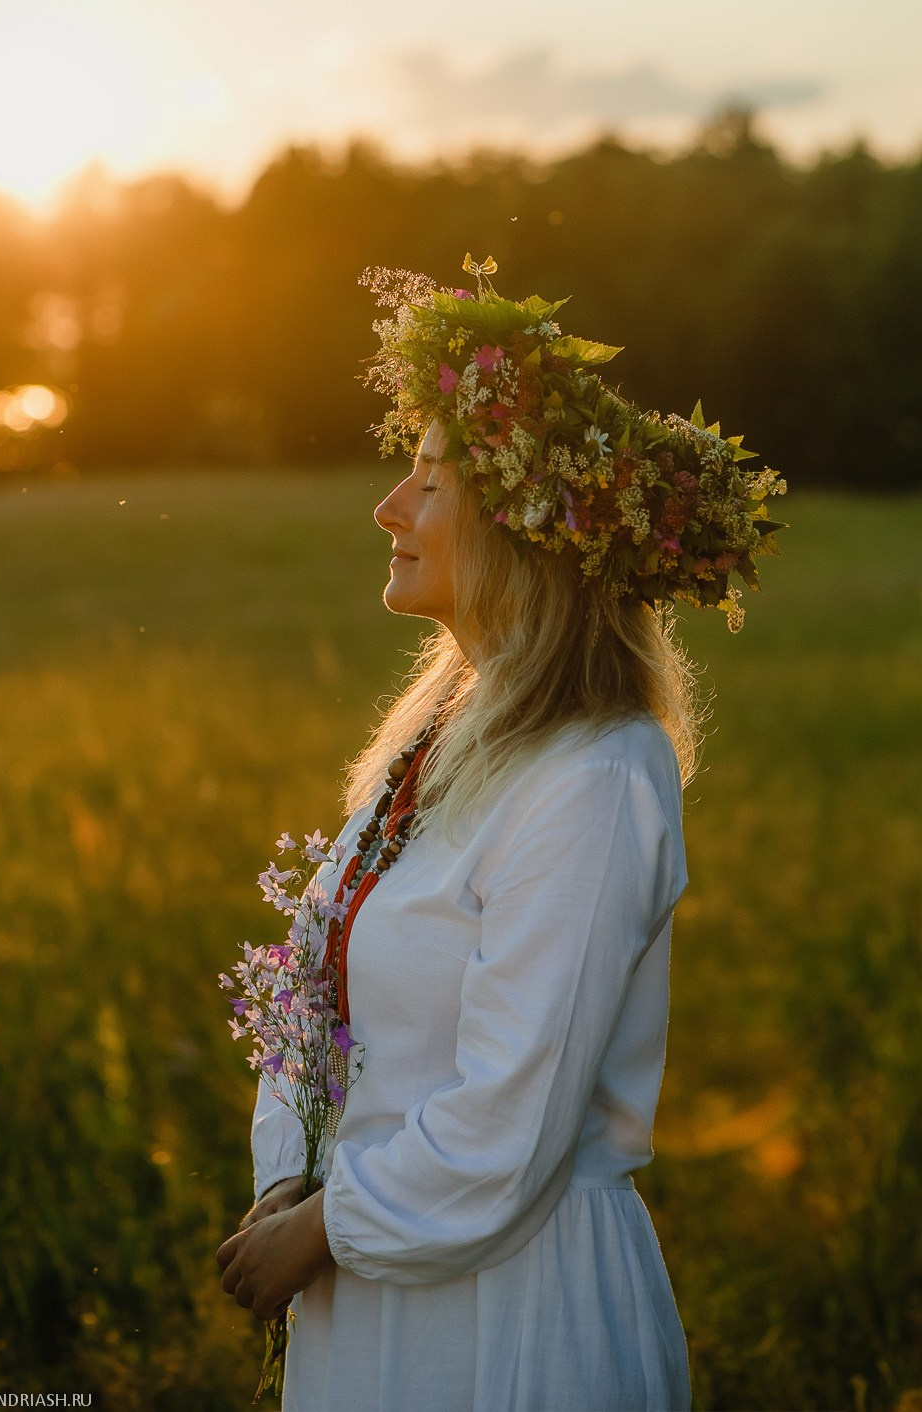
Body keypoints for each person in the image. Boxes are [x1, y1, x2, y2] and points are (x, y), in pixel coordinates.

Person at [216, 259, 785, 1411]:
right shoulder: (433, 736)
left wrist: (328, 1225)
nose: (387, 508)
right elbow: (311, 987)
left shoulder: (594, 773)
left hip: (511, 1318)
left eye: (426, 481)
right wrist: (289, 1181)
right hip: (366, 1294)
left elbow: (510, 1126)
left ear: (523, 526)